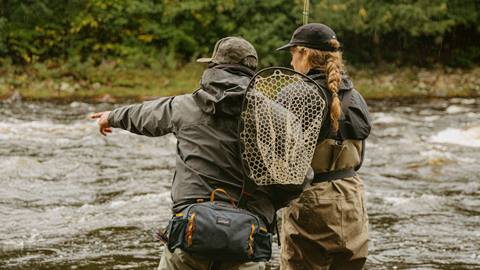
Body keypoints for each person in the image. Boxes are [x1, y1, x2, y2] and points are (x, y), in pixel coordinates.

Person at [90, 37, 275, 270]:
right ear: (252, 73)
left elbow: (146, 115)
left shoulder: (185, 107)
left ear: (213, 68)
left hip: (190, 236)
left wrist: (112, 116)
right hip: (245, 242)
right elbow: (299, 178)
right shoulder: (275, 116)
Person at [276, 23, 370, 270]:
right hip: (352, 201)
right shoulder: (356, 97)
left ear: (305, 53)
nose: (291, 61)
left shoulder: (293, 95)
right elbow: (359, 158)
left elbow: (276, 159)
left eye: (293, 53)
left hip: (310, 202)